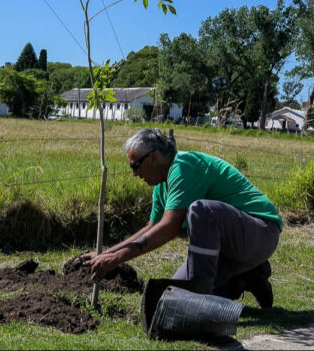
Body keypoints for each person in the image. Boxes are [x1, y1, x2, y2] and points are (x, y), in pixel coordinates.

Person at [84, 127, 283, 308]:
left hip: (261, 231)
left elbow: (170, 227)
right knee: (173, 298)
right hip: (227, 248)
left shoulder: (184, 166)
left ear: (152, 157)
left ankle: (198, 298)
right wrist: (107, 254)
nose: (134, 174)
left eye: (135, 166)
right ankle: (248, 277)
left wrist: (117, 258)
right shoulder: (162, 185)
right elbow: (152, 226)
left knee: (202, 211)